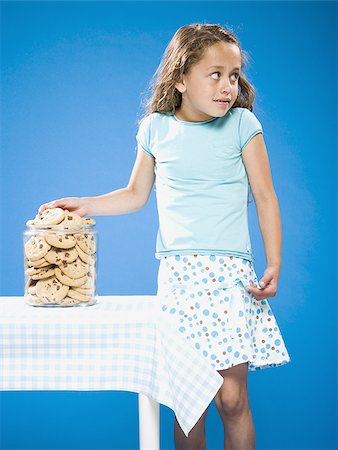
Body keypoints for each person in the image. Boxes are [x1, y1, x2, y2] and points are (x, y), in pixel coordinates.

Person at [39, 23, 291, 450]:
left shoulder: (243, 125)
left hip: (230, 275)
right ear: (180, 78)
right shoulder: (155, 128)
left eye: (233, 75)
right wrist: (86, 203)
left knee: (231, 400)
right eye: (215, 74)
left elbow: (265, 197)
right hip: (179, 277)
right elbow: (135, 194)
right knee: (188, 403)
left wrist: (274, 263)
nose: (227, 85)